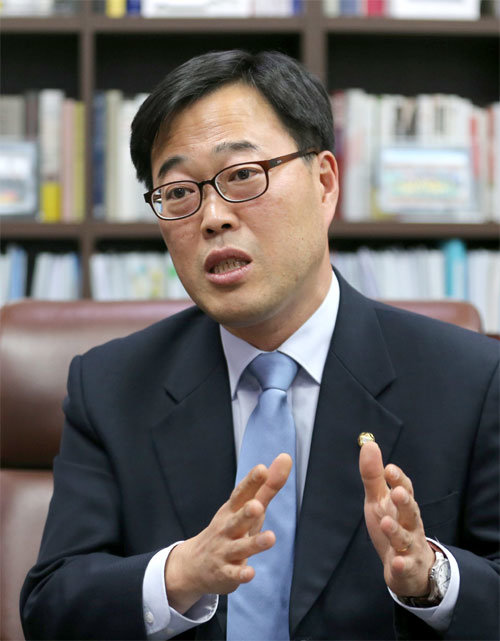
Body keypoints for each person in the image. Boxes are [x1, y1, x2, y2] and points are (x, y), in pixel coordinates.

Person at [21, 50, 499, 641]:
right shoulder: (109, 386)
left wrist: (433, 580)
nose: (213, 217)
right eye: (178, 192)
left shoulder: (472, 380)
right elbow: (51, 606)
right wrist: (180, 575)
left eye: (243, 175)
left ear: (324, 184)